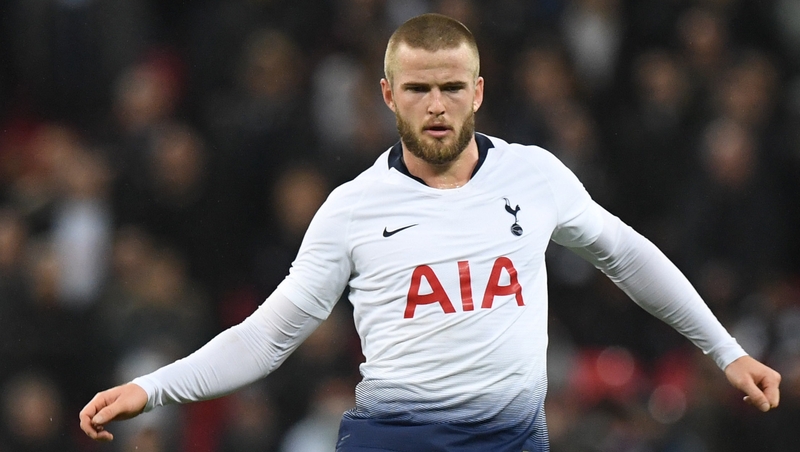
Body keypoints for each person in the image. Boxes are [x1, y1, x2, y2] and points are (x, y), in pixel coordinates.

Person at [80, 13, 781, 452]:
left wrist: (725, 352)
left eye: (452, 87)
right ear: (389, 96)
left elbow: (627, 255)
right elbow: (270, 334)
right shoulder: (353, 207)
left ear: (478, 91)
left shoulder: (533, 175)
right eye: (418, 89)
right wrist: (154, 387)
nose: (436, 106)